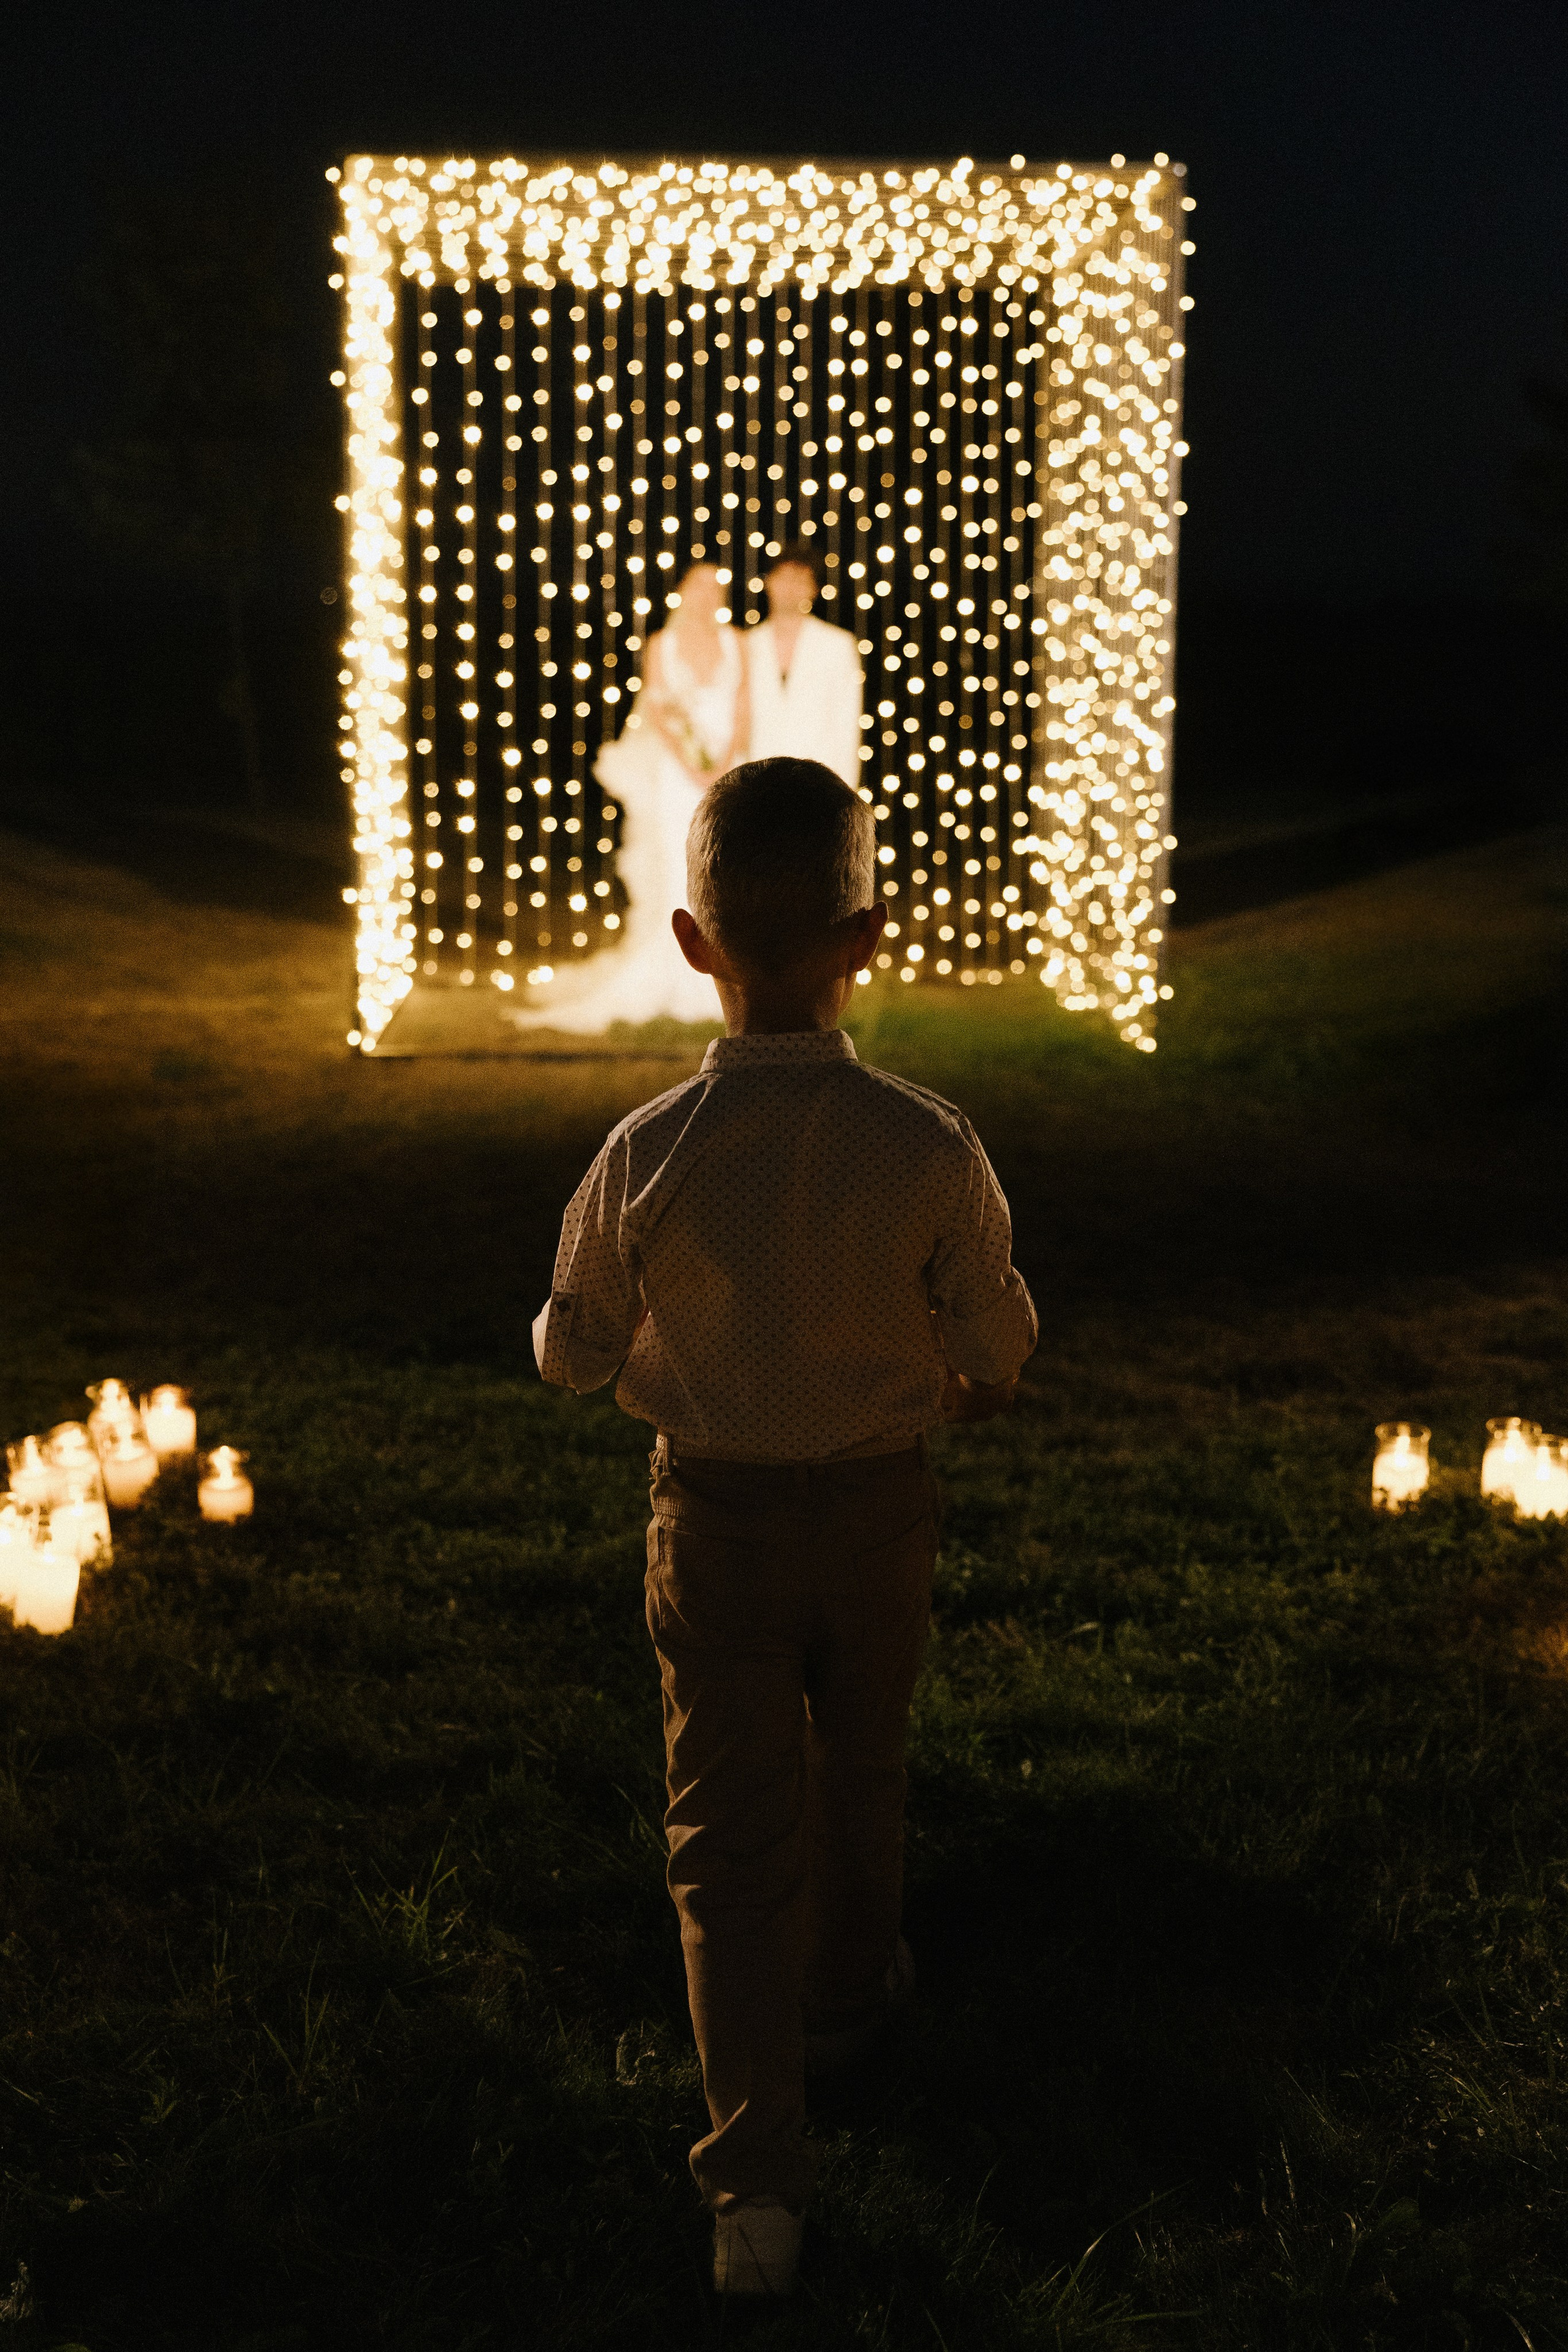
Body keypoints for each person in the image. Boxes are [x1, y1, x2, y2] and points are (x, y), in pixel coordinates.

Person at [532, 760, 1037, 2299]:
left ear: (691, 943)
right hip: (879, 1509)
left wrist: (595, 1340)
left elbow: (571, 1347)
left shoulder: (647, 1150)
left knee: (725, 1831)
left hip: (716, 1522)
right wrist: (958, 1369)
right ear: (864, 937)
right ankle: (848, 1997)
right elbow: (999, 1340)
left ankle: (755, 2183)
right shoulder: (927, 1140)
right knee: (864, 1754)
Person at [514, 562, 748, 1030]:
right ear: (682, 592)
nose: (709, 596)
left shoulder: (737, 643)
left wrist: (725, 763)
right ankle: (675, 968)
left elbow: (745, 706)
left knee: (727, 867)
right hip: (675, 774)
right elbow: (659, 712)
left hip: (728, 766)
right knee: (678, 865)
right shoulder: (662, 644)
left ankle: (725, 965)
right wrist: (688, 763)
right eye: (699, 586)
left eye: (716, 588)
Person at [745, 546, 864, 787]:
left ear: (814, 589)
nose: (790, 588)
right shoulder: (746, 644)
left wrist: (846, 790)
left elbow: (847, 724)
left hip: (819, 779)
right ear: (769, 583)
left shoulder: (838, 645)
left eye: (800, 581)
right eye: (784, 578)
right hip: (756, 778)